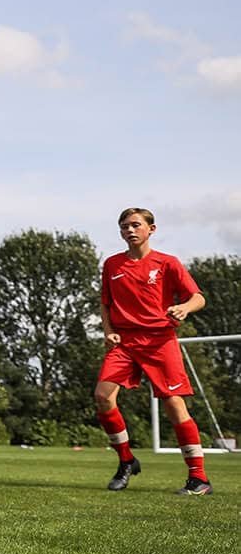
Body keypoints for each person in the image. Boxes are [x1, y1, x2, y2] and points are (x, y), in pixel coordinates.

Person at [95, 207, 211, 495]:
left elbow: (198, 297)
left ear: (151, 229)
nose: (129, 230)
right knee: (102, 396)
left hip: (160, 341)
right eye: (124, 226)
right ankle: (126, 460)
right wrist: (108, 331)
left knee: (173, 404)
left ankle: (199, 478)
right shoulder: (112, 265)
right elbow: (105, 303)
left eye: (135, 225)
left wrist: (184, 307)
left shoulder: (167, 263)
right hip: (124, 343)